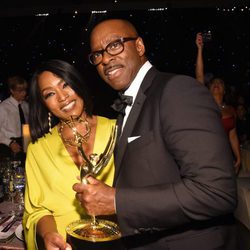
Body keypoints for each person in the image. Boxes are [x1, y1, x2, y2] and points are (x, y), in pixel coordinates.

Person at [73, 19, 238, 249]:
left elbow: (216, 192)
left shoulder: (177, 90)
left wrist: (117, 201)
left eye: (114, 45)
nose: (106, 59)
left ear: (139, 47)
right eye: (97, 55)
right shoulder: (128, 105)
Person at [22, 59, 116, 250]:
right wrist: (49, 235)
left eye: (65, 84)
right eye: (50, 94)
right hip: (65, 243)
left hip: (115, 240)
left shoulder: (117, 130)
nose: (62, 97)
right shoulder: (38, 148)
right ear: (44, 104)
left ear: (77, 83)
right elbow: (36, 210)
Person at [195, 32, 241, 172]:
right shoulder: (205, 103)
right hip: (204, 155)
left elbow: (232, 135)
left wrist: (238, 157)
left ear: (224, 90)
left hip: (224, 156)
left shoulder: (231, 110)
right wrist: (200, 49)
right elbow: (199, 76)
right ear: (207, 89)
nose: (216, 84)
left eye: (220, 83)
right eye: (213, 82)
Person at [0, 75, 29, 161]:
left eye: (25, 90)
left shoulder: (26, 105)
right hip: (7, 146)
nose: (24, 93)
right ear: (11, 90)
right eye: (20, 91)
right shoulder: (3, 107)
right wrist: (10, 143)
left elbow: (27, 126)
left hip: (25, 142)